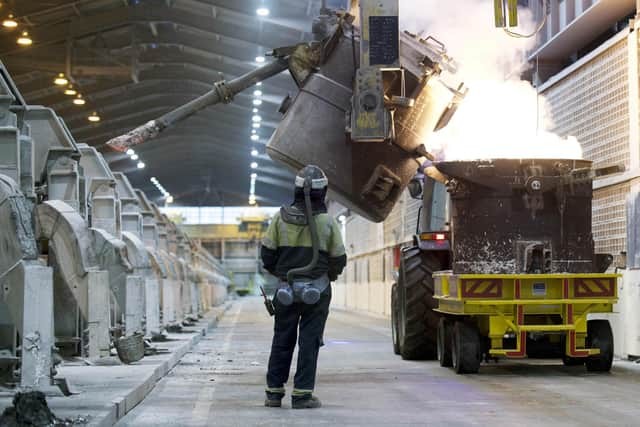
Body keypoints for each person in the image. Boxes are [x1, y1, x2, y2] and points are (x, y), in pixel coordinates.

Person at [261, 165, 347, 409]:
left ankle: (274, 393)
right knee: (309, 342)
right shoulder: (327, 222)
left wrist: (282, 275)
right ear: (323, 192)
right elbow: (339, 258)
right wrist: (328, 275)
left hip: (286, 290)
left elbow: (266, 255)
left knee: (282, 340)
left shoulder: (279, 218)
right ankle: (302, 395)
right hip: (316, 292)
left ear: (297, 189)